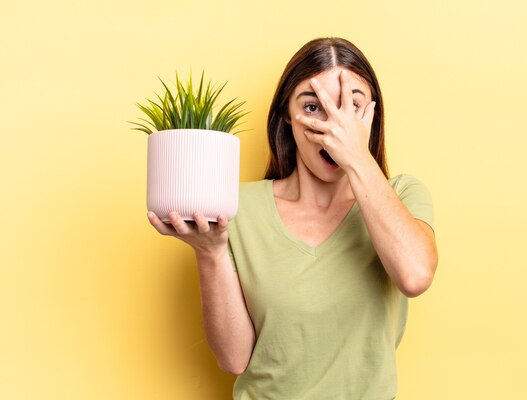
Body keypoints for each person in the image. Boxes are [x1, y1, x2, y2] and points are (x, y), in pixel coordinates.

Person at [147, 37, 438, 400]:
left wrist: (356, 156)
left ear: (371, 116)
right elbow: (235, 359)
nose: (333, 126)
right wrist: (210, 252)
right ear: (287, 113)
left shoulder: (403, 195)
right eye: (314, 107)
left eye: (350, 107)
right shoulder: (236, 206)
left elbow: (415, 275)